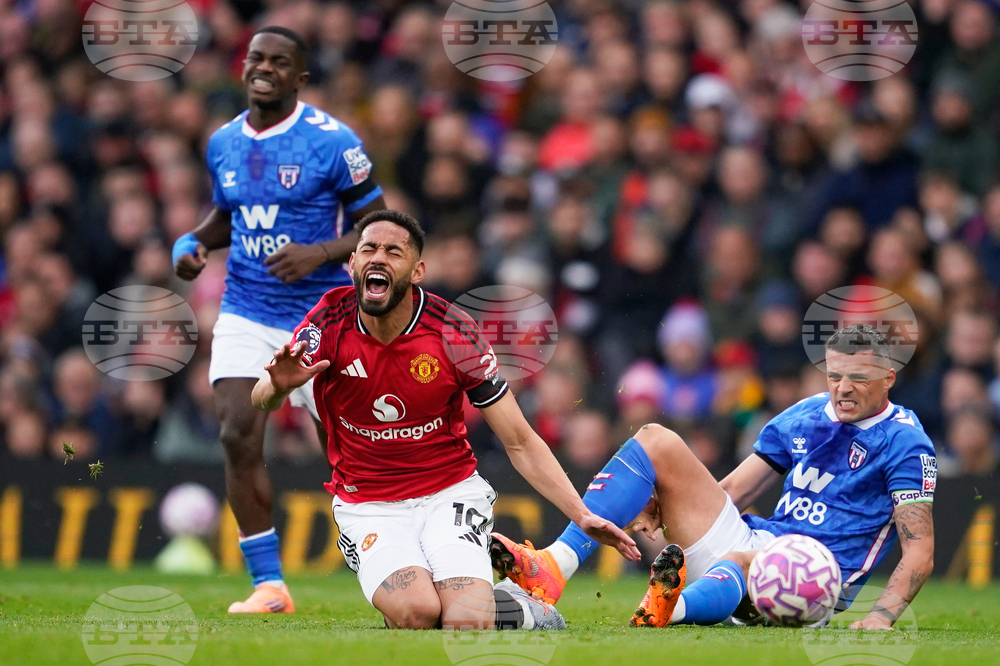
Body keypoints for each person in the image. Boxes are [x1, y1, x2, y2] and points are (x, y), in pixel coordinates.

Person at [250, 209, 639, 630]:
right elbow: (260, 400)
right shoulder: (326, 323)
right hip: (370, 504)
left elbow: (519, 441)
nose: (378, 257)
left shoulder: (453, 331)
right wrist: (278, 387)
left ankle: (526, 610)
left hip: (448, 493)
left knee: (464, 620)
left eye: (393, 252)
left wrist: (580, 514)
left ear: (416, 270)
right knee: (417, 613)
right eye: (368, 249)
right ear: (353, 265)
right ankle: (479, 600)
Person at [491, 324, 936, 630]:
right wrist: (662, 501)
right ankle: (555, 565)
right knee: (656, 439)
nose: (842, 388)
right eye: (835, 375)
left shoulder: (905, 442)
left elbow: (920, 551)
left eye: (858, 378)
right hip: (759, 541)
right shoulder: (806, 414)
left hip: (819, 579)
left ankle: (675, 606)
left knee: (750, 562)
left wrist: (881, 615)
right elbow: (735, 491)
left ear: (888, 378)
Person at [172, 26, 387, 614]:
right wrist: (193, 241)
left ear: (300, 76)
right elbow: (227, 214)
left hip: (322, 317)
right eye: (256, 58)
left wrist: (318, 254)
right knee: (236, 433)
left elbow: (381, 225)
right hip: (246, 308)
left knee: (348, 453)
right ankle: (269, 586)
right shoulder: (222, 142)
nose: (263, 68)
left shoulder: (333, 141)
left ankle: (389, 569)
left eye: (279, 61)